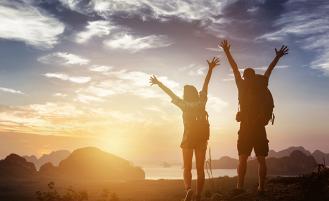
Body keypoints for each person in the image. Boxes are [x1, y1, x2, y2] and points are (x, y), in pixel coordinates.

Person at [220, 40, 288, 194]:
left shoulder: (241, 85)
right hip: (259, 127)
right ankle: (261, 188)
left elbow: (234, 67)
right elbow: (269, 70)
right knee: (261, 159)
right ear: (254, 76)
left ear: (244, 76)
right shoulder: (262, 83)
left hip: (245, 127)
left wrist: (226, 51)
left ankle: (239, 187)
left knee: (242, 158)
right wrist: (277, 57)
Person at [150, 57, 220, 201]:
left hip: (188, 138)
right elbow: (206, 85)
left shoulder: (183, 104)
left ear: (185, 94)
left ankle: (188, 190)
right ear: (195, 93)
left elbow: (169, 93)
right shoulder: (201, 102)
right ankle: (199, 196)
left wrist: (158, 83)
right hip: (201, 139)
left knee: (187, 168)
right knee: (200, 170)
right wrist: (210, 69)